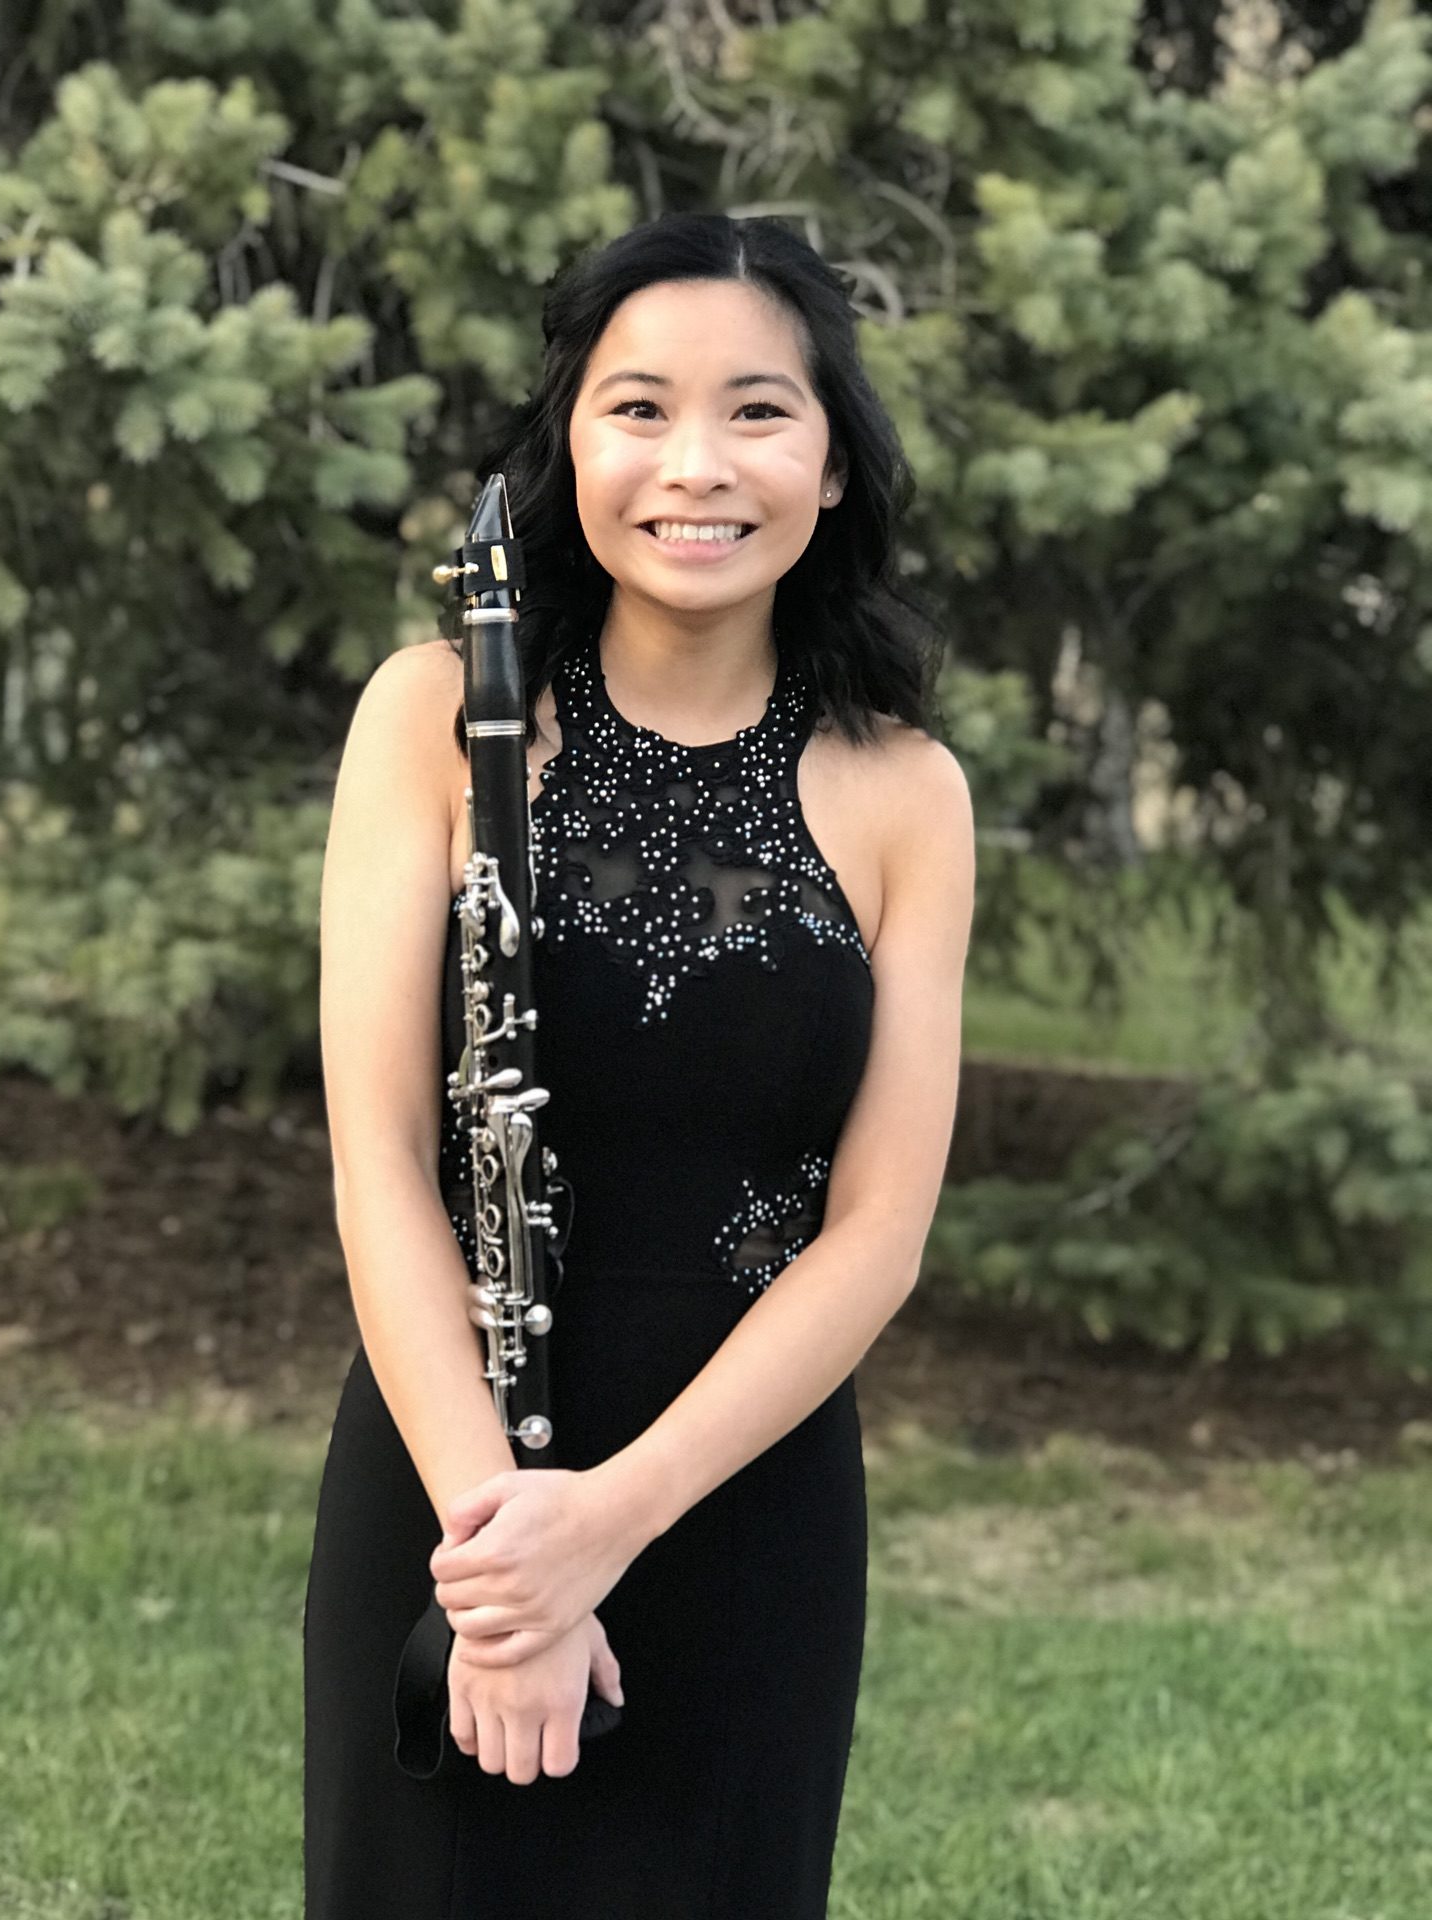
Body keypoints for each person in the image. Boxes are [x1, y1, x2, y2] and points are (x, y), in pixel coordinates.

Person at [303, 209, 975, 1919]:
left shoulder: (904, 791)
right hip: (453, 1491)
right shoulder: (435, 720)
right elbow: (379, 1158)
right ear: (571, 443)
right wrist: (505, 1563)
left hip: (742, 1501)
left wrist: (609, 1520)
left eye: (759, 410)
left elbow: (877, 1232)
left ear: (832, 467)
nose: (697, 464)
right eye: (638, 407)